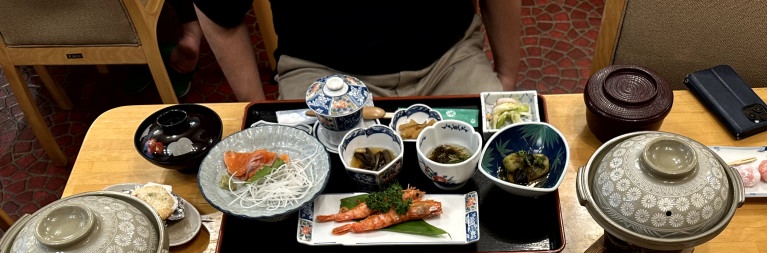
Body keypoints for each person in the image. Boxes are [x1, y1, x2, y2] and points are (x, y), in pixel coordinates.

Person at [192, 0, 521, 101]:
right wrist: (257, 111)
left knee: (502, 171)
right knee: (300, 195)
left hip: (450, 58)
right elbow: (217, 10)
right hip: (319, 70)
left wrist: (507, 75)